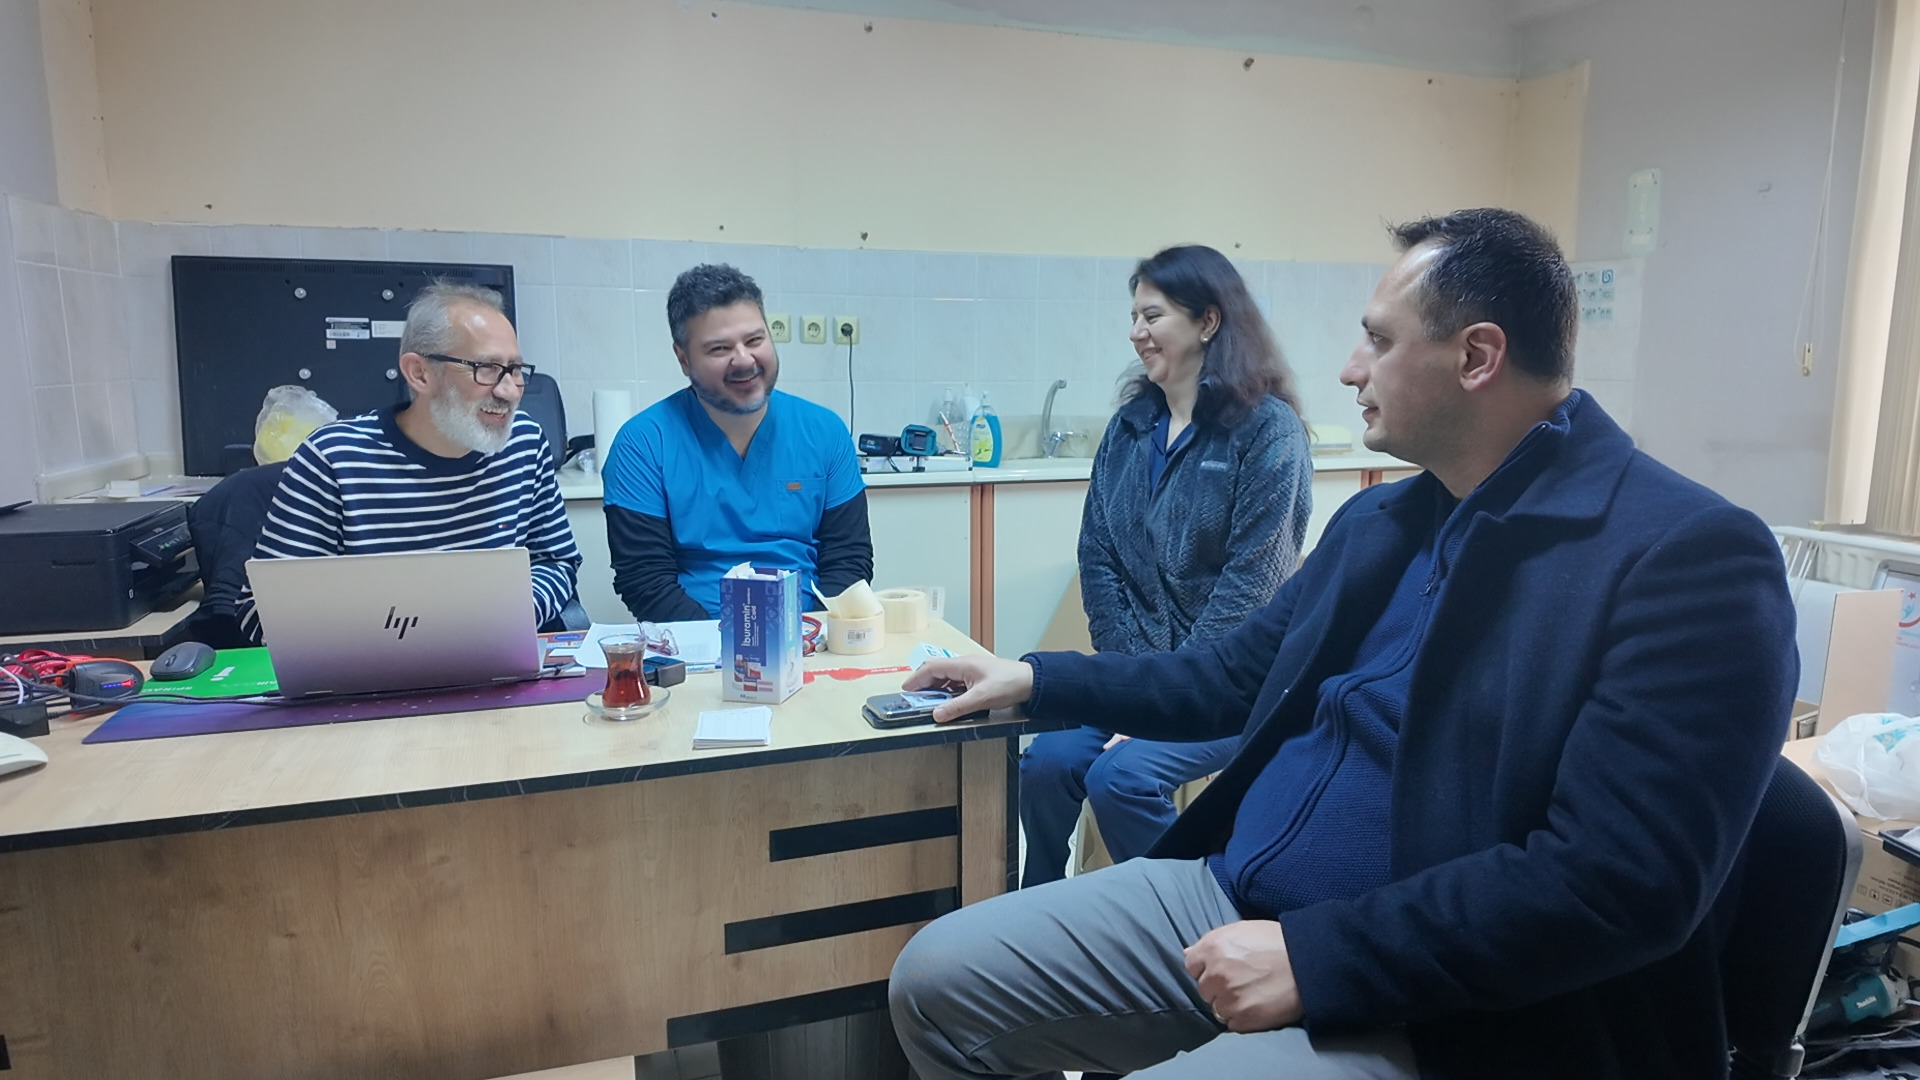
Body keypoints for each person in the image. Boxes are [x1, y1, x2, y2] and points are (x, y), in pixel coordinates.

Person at [888, 208, 1797, 1079]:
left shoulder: (1685, 557)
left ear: (1477, 357)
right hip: (1237, 896)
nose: (1349, 369)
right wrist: (1037, 680)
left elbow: (1618, 881)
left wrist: (1320, 957)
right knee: (935, 984)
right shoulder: (1385, 522)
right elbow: (1232, 675)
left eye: (1378, 341)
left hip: (1454, 1001)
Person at [1020, 245, 1312, 887]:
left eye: (1152, 316)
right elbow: (1098, 556)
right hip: (1142, 676)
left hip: (1235, 688)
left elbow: (1252, 589)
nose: (1136, 332)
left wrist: (1168, 701)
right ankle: (1035, 902)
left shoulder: (1269, 432)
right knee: (1044, 764)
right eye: (1134, 317)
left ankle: (1191, 909)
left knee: (1120, 778)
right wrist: (1135, 690)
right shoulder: (1130, 427)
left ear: (1208, 322)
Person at [238, 282, 582, 641]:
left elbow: (554, 560)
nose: (509, 390)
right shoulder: (333, 459)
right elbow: (260, 610)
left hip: (495, 653)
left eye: (515, 369)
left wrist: (516, 613)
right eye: (486, 368)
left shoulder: (524, 442)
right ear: (419, 373)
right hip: (368, 664)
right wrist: (395, 633)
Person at [601, 264, 873, 622]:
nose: (744, 360)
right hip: (697, 637)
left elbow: (849, 560)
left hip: (810, 634)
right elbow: (645, 579)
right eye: (719, 348)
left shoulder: (824, 431)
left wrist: (814, 634)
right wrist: (727, 643)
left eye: (755, 340)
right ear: (683, 359)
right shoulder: (643, 444)